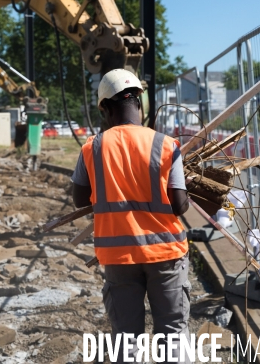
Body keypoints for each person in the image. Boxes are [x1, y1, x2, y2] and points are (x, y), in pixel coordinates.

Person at [71, 69, 191, 363]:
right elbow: (179, 204)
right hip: (165, 252)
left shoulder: (92, 147)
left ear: (105, 109)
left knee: (125, 338)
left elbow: (79, 200)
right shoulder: (166, 144)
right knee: (173, 333)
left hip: (118, 257)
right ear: (141, 105)